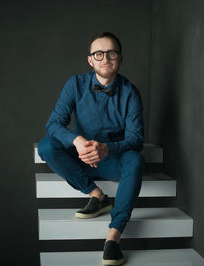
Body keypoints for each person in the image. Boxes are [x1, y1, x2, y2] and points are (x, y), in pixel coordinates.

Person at [37, 32, 144, 265]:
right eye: (99, 53)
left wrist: (107, 148)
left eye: (111, 53)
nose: (105, 58)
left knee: (135, 159)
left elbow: (136, 139)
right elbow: (53, 124)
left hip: (112, 160)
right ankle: (97, 195)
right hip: (81, 157)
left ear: (120, 58)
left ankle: (113, 237)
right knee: (46, 145)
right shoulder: (74, 84)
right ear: (90, 60)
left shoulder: (130, 92)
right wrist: (76, 140)